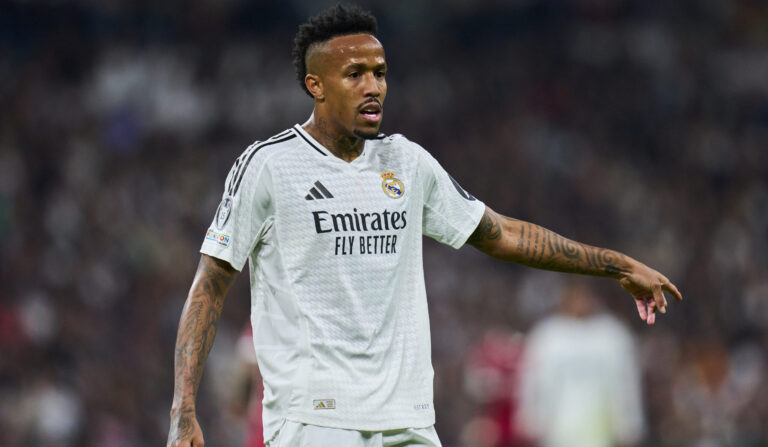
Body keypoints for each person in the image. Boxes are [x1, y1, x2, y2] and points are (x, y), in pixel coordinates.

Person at [166, 5, 683, 447]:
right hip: (316, 420)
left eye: (380, 72)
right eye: (355, 75)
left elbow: (499, 234)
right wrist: (183, 409)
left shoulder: (406, 163)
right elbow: (211, 283)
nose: (374, 87)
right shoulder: (269, 166)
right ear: (315, 86)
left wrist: (615, 266)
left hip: (408, 421)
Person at [517, 280, 644, 447]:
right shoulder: (547, 336)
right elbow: (531, 380)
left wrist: (629, 422)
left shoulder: (612, 335)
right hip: (556, 430)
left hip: (600, 429)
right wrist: (529, 418)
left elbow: (626, 381)